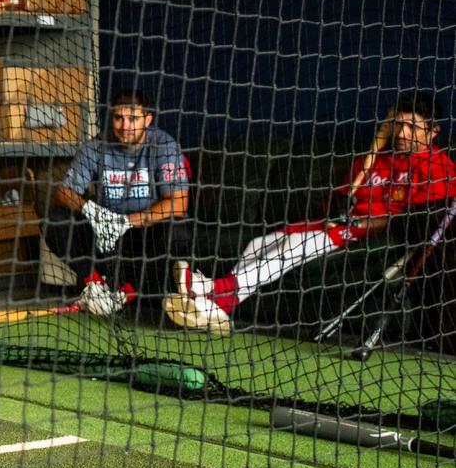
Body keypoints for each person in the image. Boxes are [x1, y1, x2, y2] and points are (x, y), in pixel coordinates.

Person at [168, 90, 456, 335]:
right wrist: (341, 200)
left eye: (413, 127)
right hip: (336, 224)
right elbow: (336, 201)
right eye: (398, 125)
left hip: (370, 234)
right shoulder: (372, 160)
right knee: (258, 243)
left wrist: (363, 220)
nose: (403, 133)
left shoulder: (438, 168)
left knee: (294, 247)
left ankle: (216, 296)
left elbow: (423, 219)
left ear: (432, 132)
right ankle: (217, 304)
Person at [45, 89, 191, 317]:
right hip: (104, 233)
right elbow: (64, 192)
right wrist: (91, 210)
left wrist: (125, 221)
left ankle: (124, 295)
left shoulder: (164, 145)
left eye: (133, 119)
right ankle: (94, 286)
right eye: (118, 118)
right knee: (55, 220)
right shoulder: (95, 146)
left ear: (147, 119)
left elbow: (179, 203)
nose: (125, 126)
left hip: (143, 232)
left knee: (178, 233)